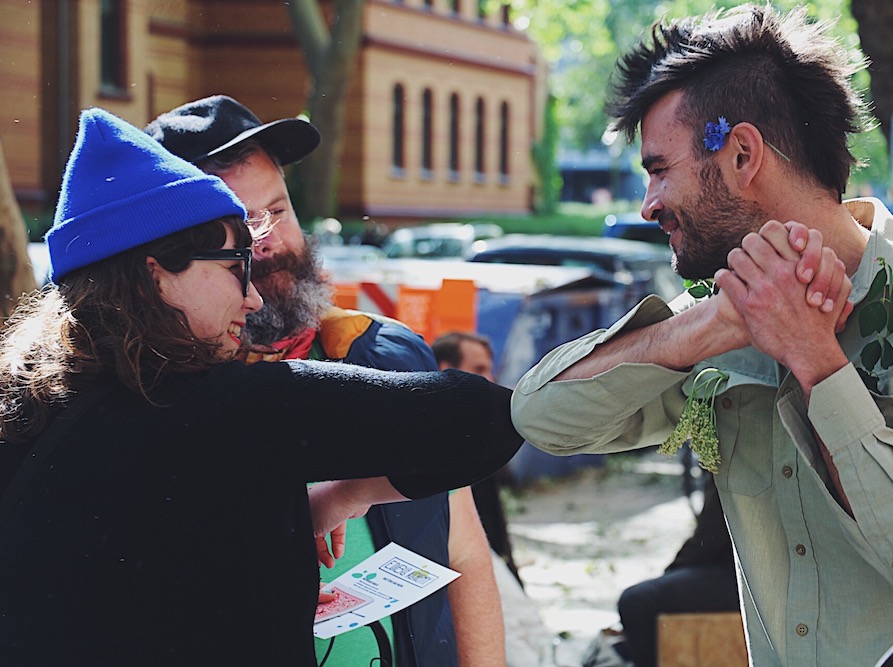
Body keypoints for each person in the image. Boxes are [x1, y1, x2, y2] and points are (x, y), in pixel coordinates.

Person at [511, 5, 893, 666]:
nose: (648, 204)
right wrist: (706, 327)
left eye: (659, 170)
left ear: (743, 154)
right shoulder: (715, 319)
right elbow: (541, 419)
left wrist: (815, 359)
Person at [0, 108, 523, 666]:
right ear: (155, 272)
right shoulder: (234, 406)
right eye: (234, 263)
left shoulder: (25, 406)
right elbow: (482, 419)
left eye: (277, 211)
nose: (250, 297)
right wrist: (347, 494)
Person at [145, 95, 505, 666]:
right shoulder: (154, 400)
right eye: (237, 224)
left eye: (278, 210)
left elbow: (462, 549)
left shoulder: (385, 355)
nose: (267, 242)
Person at [616, 475, 739, 667]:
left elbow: (709, 538)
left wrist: (672, 571)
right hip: (743, 572)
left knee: (635, 601)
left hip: (745, 579)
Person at [432, 331, 520, 584]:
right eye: (479, 369)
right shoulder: (433, 436)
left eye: (490, 370)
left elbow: (493, 520)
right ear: (446, 369)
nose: (490, 379)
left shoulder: (482, 429)